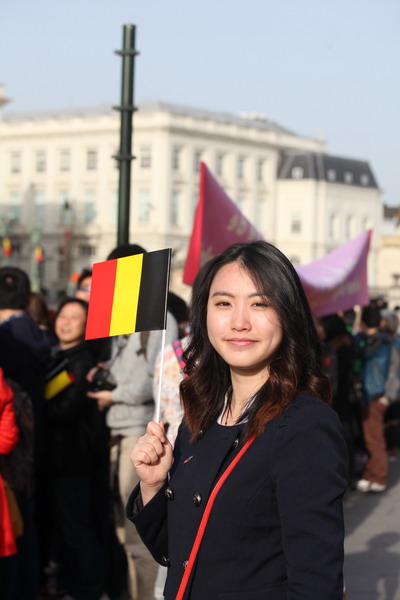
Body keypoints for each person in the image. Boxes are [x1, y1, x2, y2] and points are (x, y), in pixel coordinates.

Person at [127, 240, 348, 600]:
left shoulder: (305, 424)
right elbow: (179, 554)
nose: (239, 322)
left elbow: (315, 582)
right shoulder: (202, 413)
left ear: (288, 314)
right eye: (224, 303)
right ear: (205, 315)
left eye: (260, 303)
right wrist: (154, 485)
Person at [87, 243, 179, 600]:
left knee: (139, 536)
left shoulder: (161, 318)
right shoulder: (121, 317)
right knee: (122, 534)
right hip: (114, 431)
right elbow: (126, 370)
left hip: (138, 432)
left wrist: (114, 394)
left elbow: (156, 378)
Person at [45, 298, 109, 600]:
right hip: (58, 458)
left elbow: (64, 411)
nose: (66, 322)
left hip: (72, 458)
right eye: (63, 315)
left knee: (77, 529)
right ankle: (73, 585)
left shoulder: (80, 361)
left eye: (75, 317)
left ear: (87, 326)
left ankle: (90, 589)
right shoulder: (56, 354)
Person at [356, 304, 392, 492]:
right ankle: (371, 474)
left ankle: (379, 477)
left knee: (374, 438)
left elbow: (365, 356)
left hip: (374, 395)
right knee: (371, 437)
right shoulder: (385, 340)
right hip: (374, 394)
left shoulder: (377, 343)